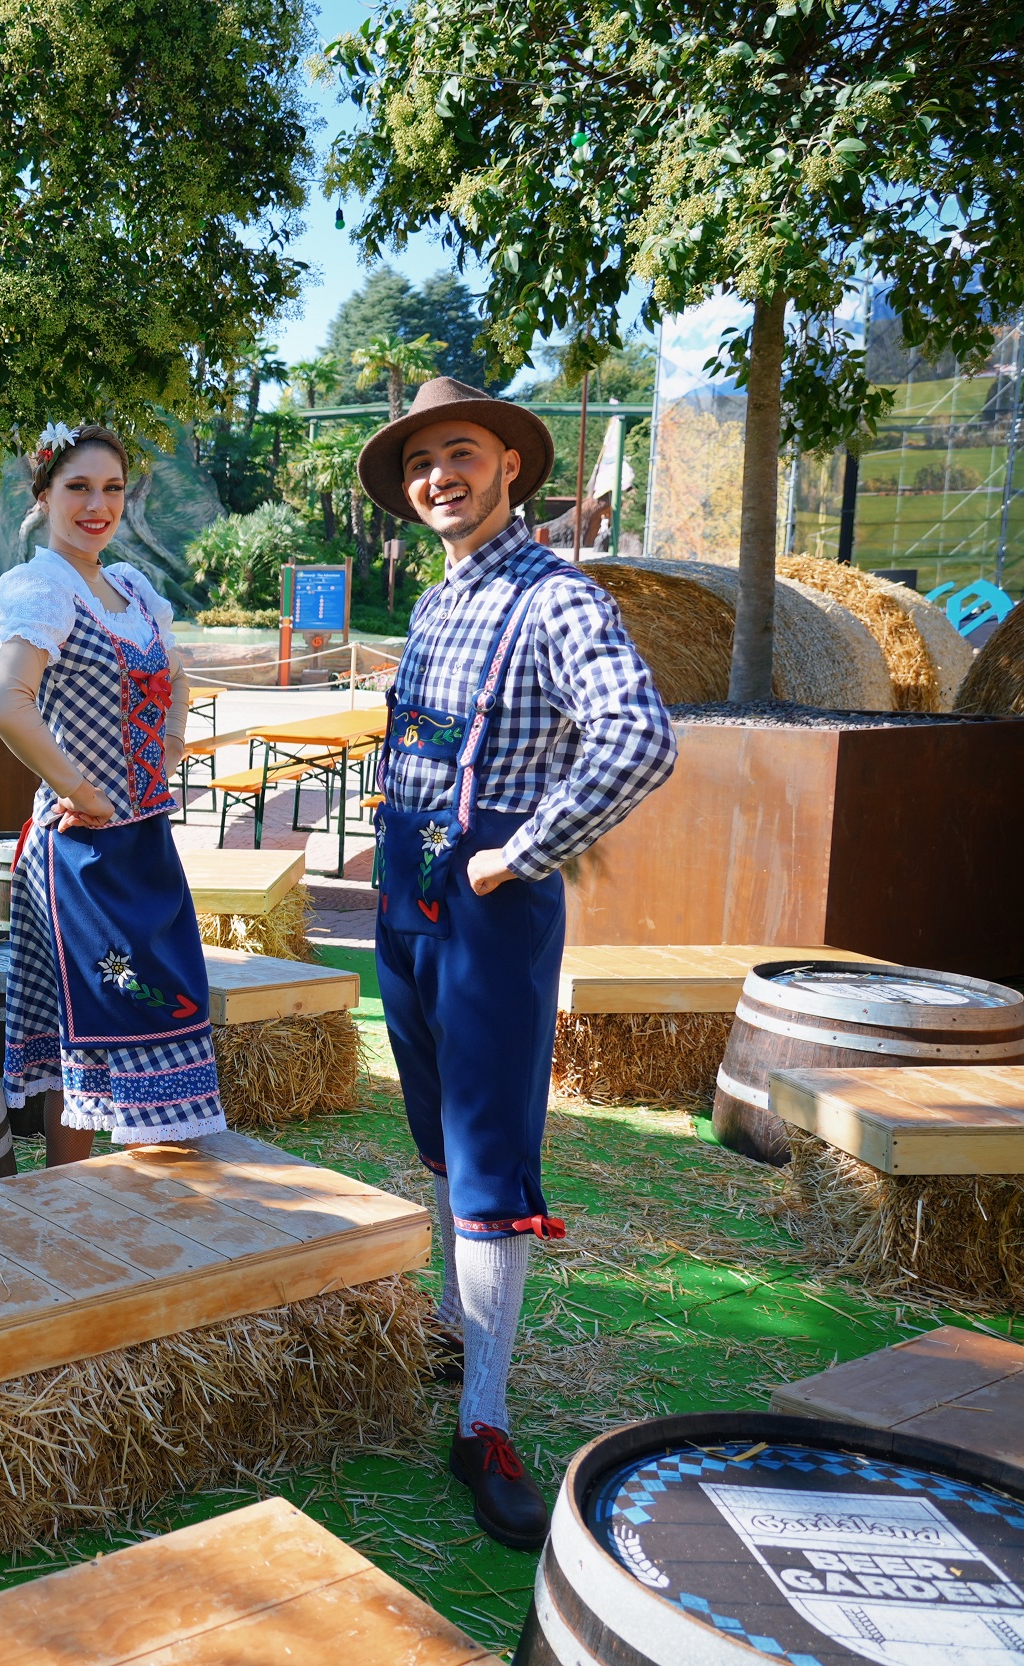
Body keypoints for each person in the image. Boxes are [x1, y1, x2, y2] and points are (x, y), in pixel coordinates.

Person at [357, 377, 675, 1550]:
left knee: (489, 1162)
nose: (437, 476)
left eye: (459, 454)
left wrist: (521, 854)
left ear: (509, 467)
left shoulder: (554, 593)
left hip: (486, 911)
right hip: (406, 895)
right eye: (420, 463)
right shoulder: (441, 600)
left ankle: (481, 1422)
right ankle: (453, 1327)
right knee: (437, 1132)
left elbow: (639, 737)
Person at [0, 425, 216, 1169]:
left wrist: (166, 753)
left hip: (143, 840)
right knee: (83, 1034)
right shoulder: (40, 586)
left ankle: (135, 1206)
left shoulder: (133, 590)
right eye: (78, 487)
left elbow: (175, 679)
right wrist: (84, 790)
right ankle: (71, 1199)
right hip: (78, 850)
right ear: (43, 495)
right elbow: (6, 703)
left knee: (152, 1015)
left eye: (111, 488)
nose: (97, 505)